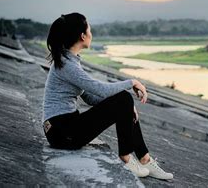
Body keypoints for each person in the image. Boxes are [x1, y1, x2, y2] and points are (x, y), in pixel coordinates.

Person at [42, 12, 173, 180]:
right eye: (89, 30)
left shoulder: (69, 61)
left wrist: (125, 108)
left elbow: (90, 97)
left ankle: (144, 159)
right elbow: (101, 90)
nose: (91, 34)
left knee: (124, 100)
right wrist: (132, 82)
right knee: (124, 98)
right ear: (82, 36)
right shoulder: (68, 65)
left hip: (63, 130)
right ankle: (126, 157)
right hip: (62, 132)